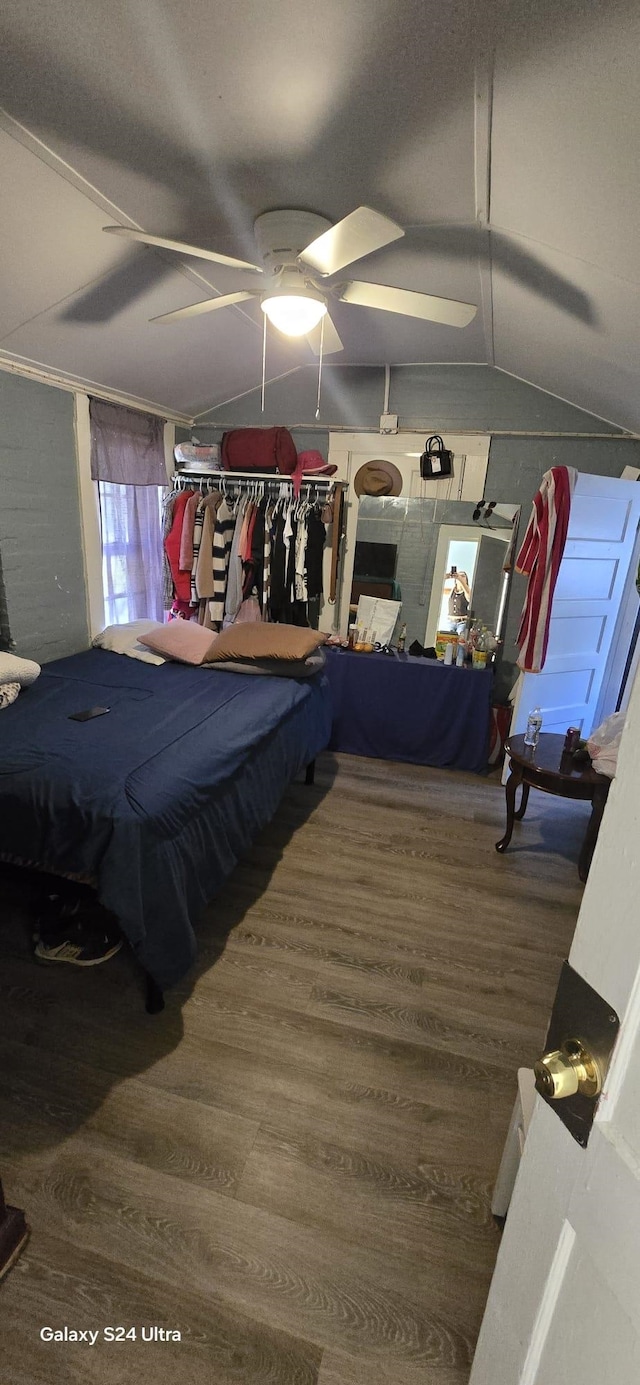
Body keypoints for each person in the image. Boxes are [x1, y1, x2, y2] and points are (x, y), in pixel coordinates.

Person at [443, 566, 471, 632]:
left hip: (462, 623)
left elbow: (469, 595)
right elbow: (437, 585)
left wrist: (459, 578)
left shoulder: (467, 592)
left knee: (460, 640)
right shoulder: (451, 591)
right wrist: (447, 576)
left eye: (463, 576)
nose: (460, 577)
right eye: (459, 575)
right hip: (450, 622)